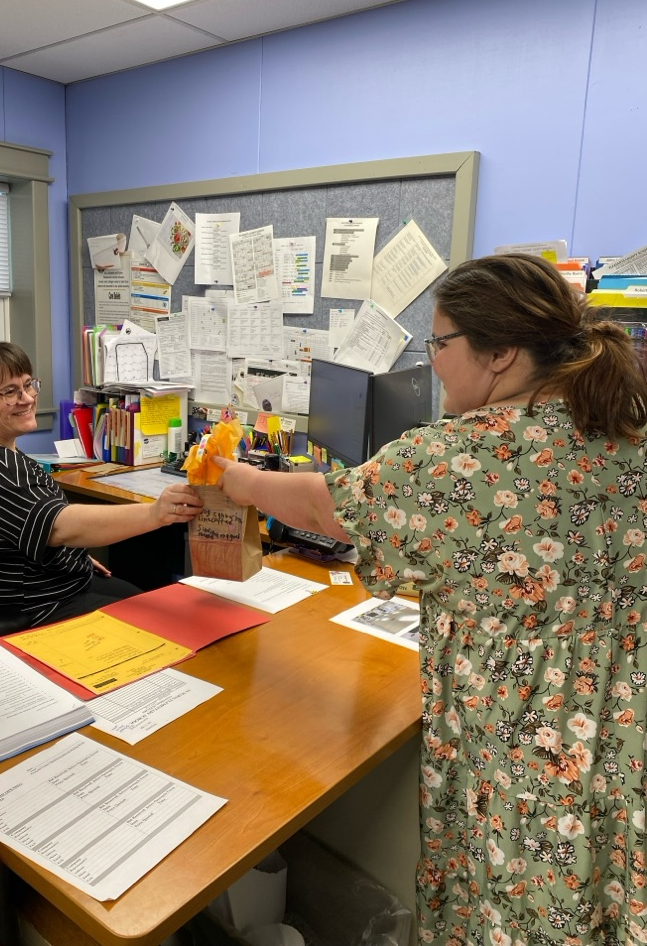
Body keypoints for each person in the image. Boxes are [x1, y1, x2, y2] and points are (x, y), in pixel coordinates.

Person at [213, 253, 647, 944]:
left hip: (526, 740)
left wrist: (239, 481)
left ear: (500, 353)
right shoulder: (623, 427)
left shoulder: (461, 454)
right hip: (622, 726)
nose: (433, 362)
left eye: (439, 342)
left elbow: (331, 507)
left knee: (524, 907)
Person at [0, 341, 201, 628]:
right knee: (162, 625)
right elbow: (58, 527)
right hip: (20, 606)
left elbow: (24, 524)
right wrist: (155, 513)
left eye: (28, 385)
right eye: (9, 392)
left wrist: (72, 557)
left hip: (46, 583)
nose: (27, 398)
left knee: (154, 605)